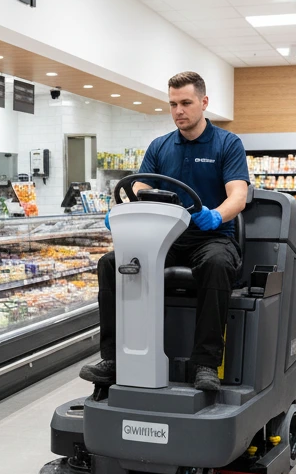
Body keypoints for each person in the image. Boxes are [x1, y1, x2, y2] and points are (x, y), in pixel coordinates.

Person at [80, 70, 249, 392]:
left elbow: (238, 195)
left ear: (204, 102)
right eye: (173, 104)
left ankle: (206, 364)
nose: (178, 111)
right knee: (110, 263)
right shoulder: (160, 146)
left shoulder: (227, 143)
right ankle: (114, 359)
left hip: (211, 238)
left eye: (185, 103)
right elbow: (141, 185)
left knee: (217, 265)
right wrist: (125, 208)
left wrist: (215, 215)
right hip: (162, 238)